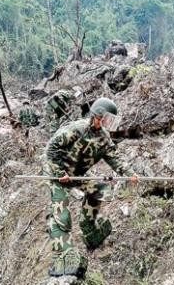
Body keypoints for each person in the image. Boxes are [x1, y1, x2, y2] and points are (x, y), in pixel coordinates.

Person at [44, 97, 138, 278]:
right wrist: (58, 171)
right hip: (59, 175)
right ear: (97, 115)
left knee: (100, 190)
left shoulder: (103, 137)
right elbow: (52, 148)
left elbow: (114, 157)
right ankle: (62, 255)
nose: (109, 124)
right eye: (107, 119)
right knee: (61, 216)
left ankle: (89, 229)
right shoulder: (76, 130)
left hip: (77, 174)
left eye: (112, 120)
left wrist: (129, 173)